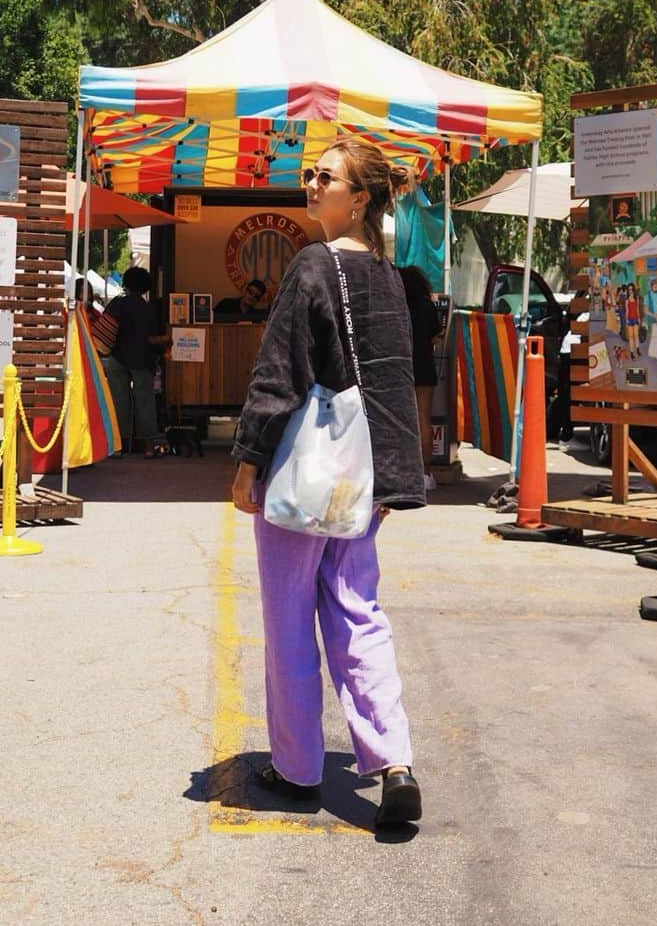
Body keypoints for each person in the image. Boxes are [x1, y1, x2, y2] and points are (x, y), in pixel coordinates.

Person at [231, 138, 428, 828]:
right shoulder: (391, 276)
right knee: (358, 612)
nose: (309, 185)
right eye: (309, 174)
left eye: (324, 178)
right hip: (365, 476)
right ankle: (393, 758)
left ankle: (297, 767)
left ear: (360, 198)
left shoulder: (312, 266)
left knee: (289, 620)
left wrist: (249, 461)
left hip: (303, 478)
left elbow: (279, 374)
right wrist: (398, 482)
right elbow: (397, 381)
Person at [101, 266, 169, 456]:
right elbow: (152, 337)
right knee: (144, 401)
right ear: (146, 287)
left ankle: (118, 446)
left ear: (126, 284)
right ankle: (148, 447)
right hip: (141, 358)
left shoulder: (117, 304)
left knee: (118, 401)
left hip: (117, 358)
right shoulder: (147, 308)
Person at [396, 265, 440, 473]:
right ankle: (425, 473)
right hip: (425, 366)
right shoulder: (428, 306)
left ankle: (405, 472)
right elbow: (436, 336)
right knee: (423, 419)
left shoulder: (397, 305)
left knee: (401, 421)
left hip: (401, 366)